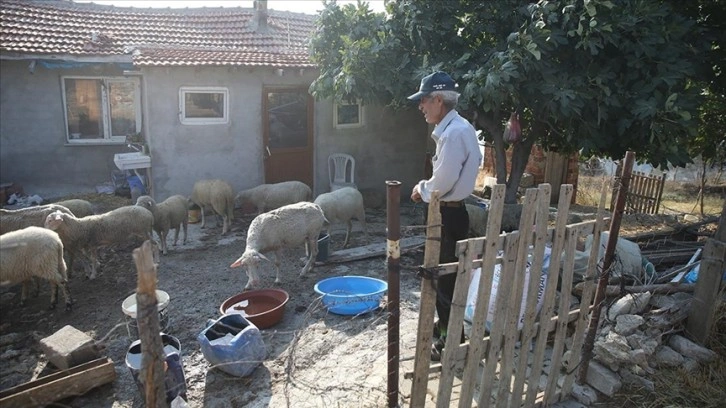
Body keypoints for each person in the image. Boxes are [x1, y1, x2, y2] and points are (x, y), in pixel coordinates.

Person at [408, 71, 482, 361]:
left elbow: (442, 183)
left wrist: (421, 189)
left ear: (438, 100)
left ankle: (451, 343)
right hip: (453, 212)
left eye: (424, 100)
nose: (421, 106)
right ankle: (448, 335)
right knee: (445, 282)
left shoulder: (453, 134)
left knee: (444, 283)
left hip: (447, 215)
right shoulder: (458, 128)